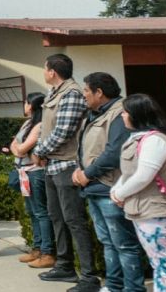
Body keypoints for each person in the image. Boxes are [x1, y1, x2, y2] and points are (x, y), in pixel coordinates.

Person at [31, 54, 100, 290]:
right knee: (57, 217)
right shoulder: (54, 93)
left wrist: (39, 151)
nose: (43, 72)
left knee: (74, 220)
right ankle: (64, 264)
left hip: (67, 165)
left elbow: (63, 131)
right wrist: (42, 151)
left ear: (52, 72)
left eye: (45, 68)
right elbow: (46, 128)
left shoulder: (71, 93)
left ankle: (88, 275)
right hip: (52, 165)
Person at [72, 72, 143, 292]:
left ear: (99, 92)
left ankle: (133, 288)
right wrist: (80, 170)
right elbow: (89, 149)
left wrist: (87, 173)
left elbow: (114, 153)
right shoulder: (95, 114)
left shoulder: (119, 113)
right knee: (108, 242)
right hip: (95, 187)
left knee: (124, 244)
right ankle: (114, 286)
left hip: (110, 187)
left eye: (86, 90)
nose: (84, 95)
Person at [110, 94, 166, 292]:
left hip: (155, 211)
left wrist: (119, 194)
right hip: (146, 210)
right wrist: (117, 190)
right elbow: (130, 173)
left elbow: (144, 176)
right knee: (160, 263)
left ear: (137, 114)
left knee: (165, 264)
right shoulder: (143, 138)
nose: (122, 116)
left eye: (125, 112)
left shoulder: (155, 141)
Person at [10, 92, 55, 268]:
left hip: (35, 173)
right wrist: (18, 148)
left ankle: (47, 251)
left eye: (26, 102)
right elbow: (14, 144)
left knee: (41, 212)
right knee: (32, 211)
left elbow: (21, 148)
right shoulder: (27, 123)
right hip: (24, 172)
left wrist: (18, 149)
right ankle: (37, 248)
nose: (24, 105)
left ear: (32, 105)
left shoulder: (40, 125)